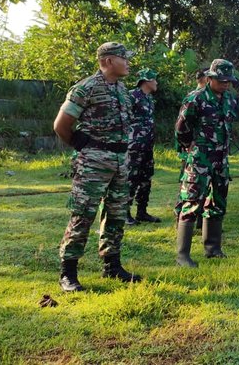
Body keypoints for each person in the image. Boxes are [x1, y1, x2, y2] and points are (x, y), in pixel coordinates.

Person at [54, 42, 140, 292]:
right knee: (83, 214)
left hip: (120, 162)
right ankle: (68, 273)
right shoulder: (86, 88)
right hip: (93, 162)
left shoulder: (122, 89)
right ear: (108, 61)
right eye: (123, 59)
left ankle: (112, 266)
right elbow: (61, 125)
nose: (128, 63)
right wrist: (84, 146)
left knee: (116, 214)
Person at [174, 59, 239, 265]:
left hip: (221, 158)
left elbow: (231, 122)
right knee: (192, 202)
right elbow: (181, 127)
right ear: (210, 78)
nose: (226, 84)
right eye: (222, 80)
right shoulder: (196, 99)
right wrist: (189, 145)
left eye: (229, 81)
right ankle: (183, 255)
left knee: (218, 201)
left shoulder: (229, 100)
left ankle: (213, 248)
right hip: (200, 158)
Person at [126, 68, 160, 225]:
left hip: (147, 145)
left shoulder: (149, 99)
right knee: (131, 178)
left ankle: (141, 212)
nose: (156, 83)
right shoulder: (132, 96)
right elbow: (123, 118)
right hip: (134, 146)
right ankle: (124, 213)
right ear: (147, 81)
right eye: (155, 80)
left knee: (146, 178)